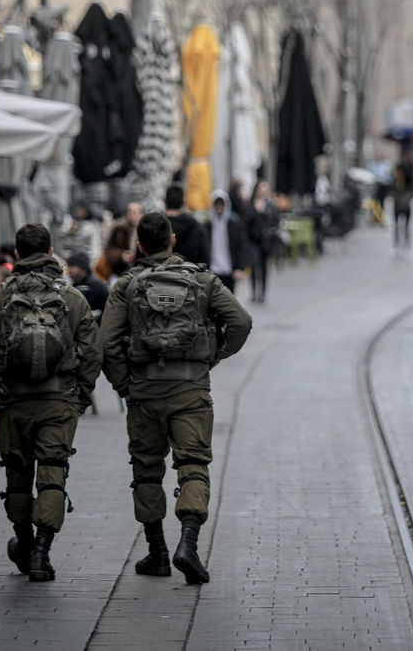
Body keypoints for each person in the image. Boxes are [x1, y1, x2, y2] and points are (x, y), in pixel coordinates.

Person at [100, 212, 252, 585]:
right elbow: (241, 322)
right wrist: (212, 357)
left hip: (145, 392)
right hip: (190, 391)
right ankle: (189, 543)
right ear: (172, 242)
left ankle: (158, 553)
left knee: (146, 470)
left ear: (139, 246)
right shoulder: (201, 280)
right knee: (193, 465)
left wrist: (125, 385)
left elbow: (104, 344)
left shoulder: (127, 285)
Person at [0, 223, 102, 582]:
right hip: (59, 400)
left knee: (17, 478)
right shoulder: (71, 297)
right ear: (51, 250)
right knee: (52, 475)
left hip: (14, 402)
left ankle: (25, 544)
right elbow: (92, 351)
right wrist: (80, 394)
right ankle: (41, 554)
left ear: (16, 255)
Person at [197, 190, 247, 293]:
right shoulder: (206, 227)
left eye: (221, 204)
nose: (219, 207)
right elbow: (201, 248)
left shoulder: (234, 226)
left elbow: (240, 247)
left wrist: (239, 268)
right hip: (211, 273)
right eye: (217, 204)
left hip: (229, 272)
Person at [247, 180, 280, 304]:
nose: (263, 191)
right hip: (254, 240)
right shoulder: (251, 205)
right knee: (254, 266)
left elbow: (275, 221)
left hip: (266, 241)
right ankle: (254, 292)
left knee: (264, 268)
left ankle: (263, 293)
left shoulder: (270, 205)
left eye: (265, 189)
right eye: (261, 188)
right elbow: (247, 222)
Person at [164, 185, 204, 265]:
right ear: (183, 202)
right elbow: (203, 256)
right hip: (188, 274)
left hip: (158, 274)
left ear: (165, 201)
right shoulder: (195, 225)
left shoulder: (156, 224)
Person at [103, 202, 143, 279]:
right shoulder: (119, 228)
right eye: (129, 212)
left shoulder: (146, 229)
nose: (132, 215)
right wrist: (121, 255)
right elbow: (109, 249)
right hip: (119, 271)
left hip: (139, 272)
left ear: (141, 214)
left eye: (135, 212)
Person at [66, 251, 110, 318]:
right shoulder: (76, 285)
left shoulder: (93, 286)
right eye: (69, 266)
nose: (69, 269)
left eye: (73, 266)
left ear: (82, 268)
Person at [390, 165, 413, 255]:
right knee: (396, 226)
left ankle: (406, 243)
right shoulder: (394, 182)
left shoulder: (408, 183)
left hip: (406, 207)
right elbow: (390, 192)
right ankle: (396, 244)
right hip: (397, 207)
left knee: (406, 227)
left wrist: (406, 199)